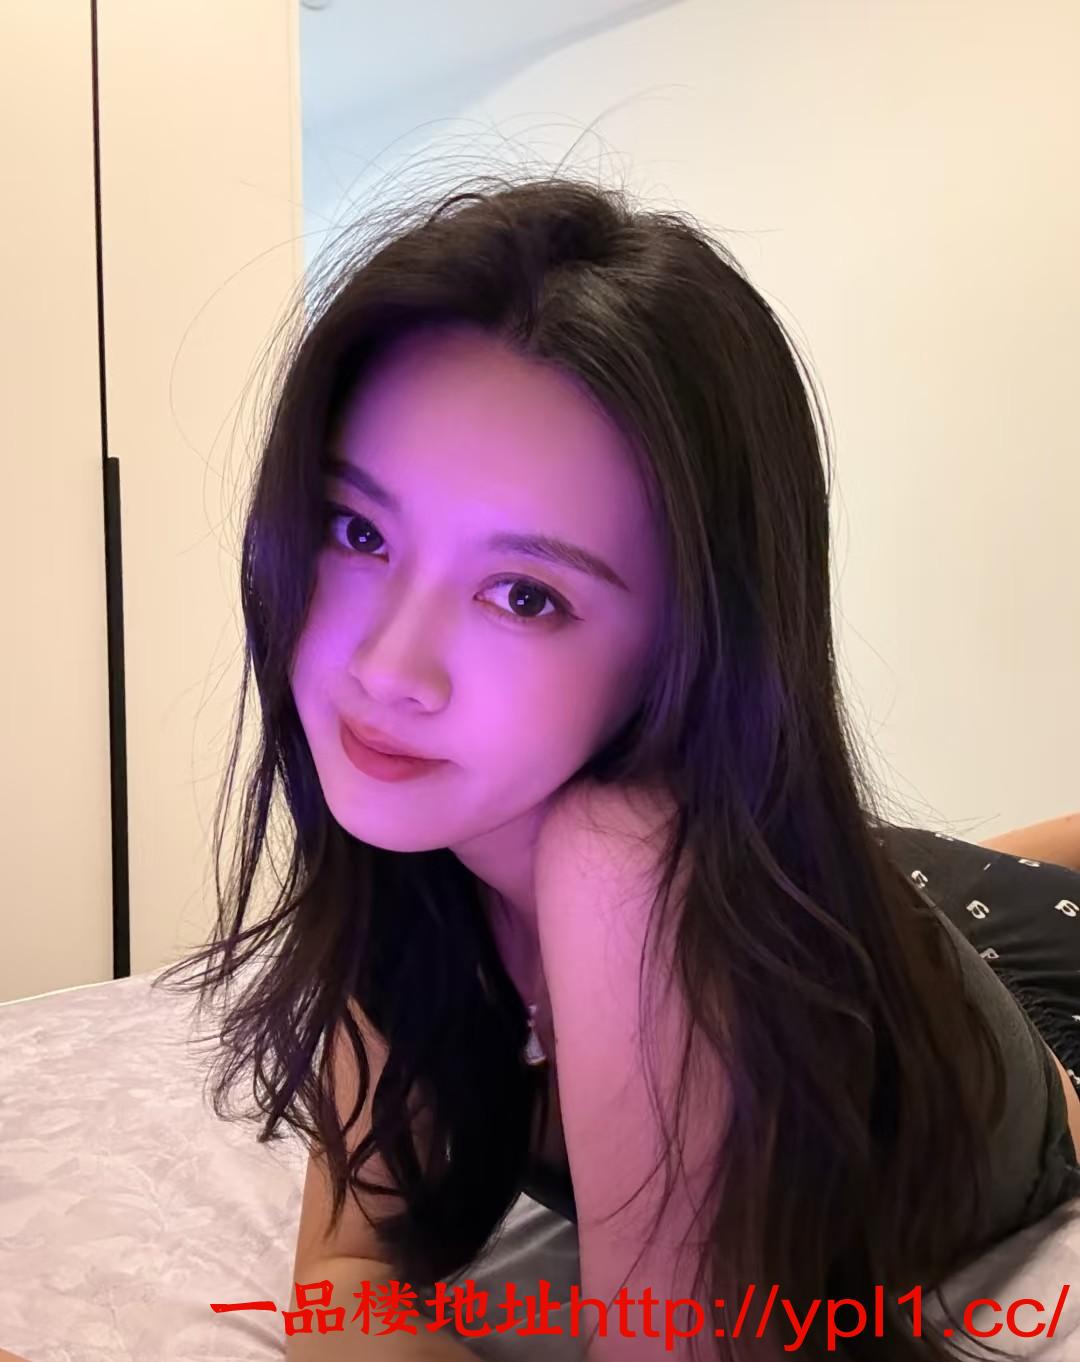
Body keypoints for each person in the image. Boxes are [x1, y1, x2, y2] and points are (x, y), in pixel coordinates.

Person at [153, 175, 1080, 1360]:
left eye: (523, 595)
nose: (383, 668)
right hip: (873, 888)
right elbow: (345, 1276)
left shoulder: (630, 858)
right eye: (359, 530)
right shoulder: (417, 825)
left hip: (1028, 993)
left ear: (688, 646)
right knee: (888, 864)